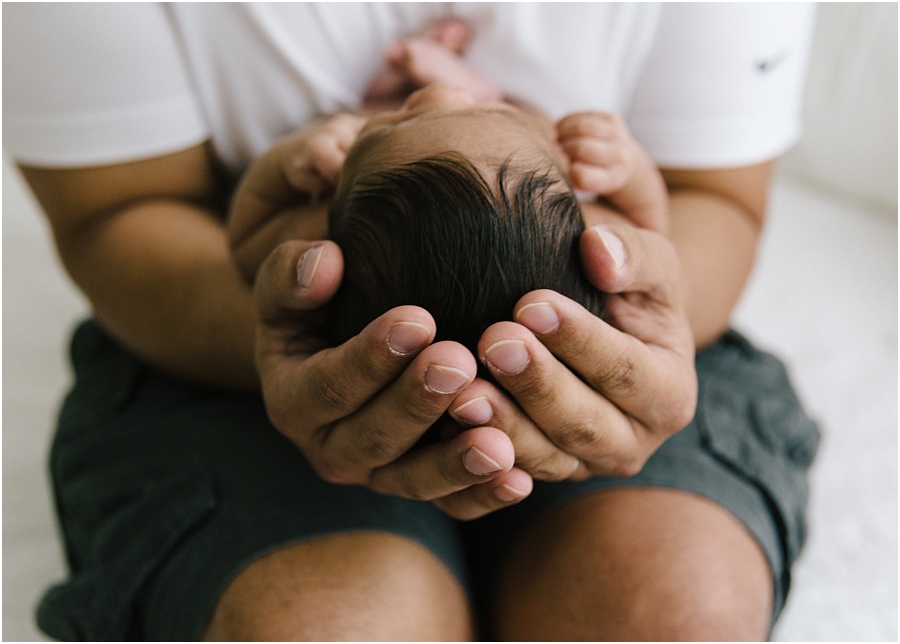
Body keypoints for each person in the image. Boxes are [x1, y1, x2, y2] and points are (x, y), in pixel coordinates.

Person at [3, 3, 820, 641]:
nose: (438, 92)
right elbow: (643, 226)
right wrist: (625, 178)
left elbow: (704, 209)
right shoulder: (572, 197)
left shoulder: (348, 184)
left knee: (675, 605)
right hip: (213, 349)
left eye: (415, 116)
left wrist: (278, 186)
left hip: (584, 355)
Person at [226, 28, 667, 359]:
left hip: (372, 142)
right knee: (509, 128)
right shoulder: (584, 236)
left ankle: (396, 102)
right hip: (478, 152)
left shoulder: (322, 242)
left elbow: (247, 234)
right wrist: (628, 170)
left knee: (352, 129)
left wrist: (288, 163)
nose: (442, 94)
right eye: (494, 114)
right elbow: (650, 233)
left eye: (402, 121)